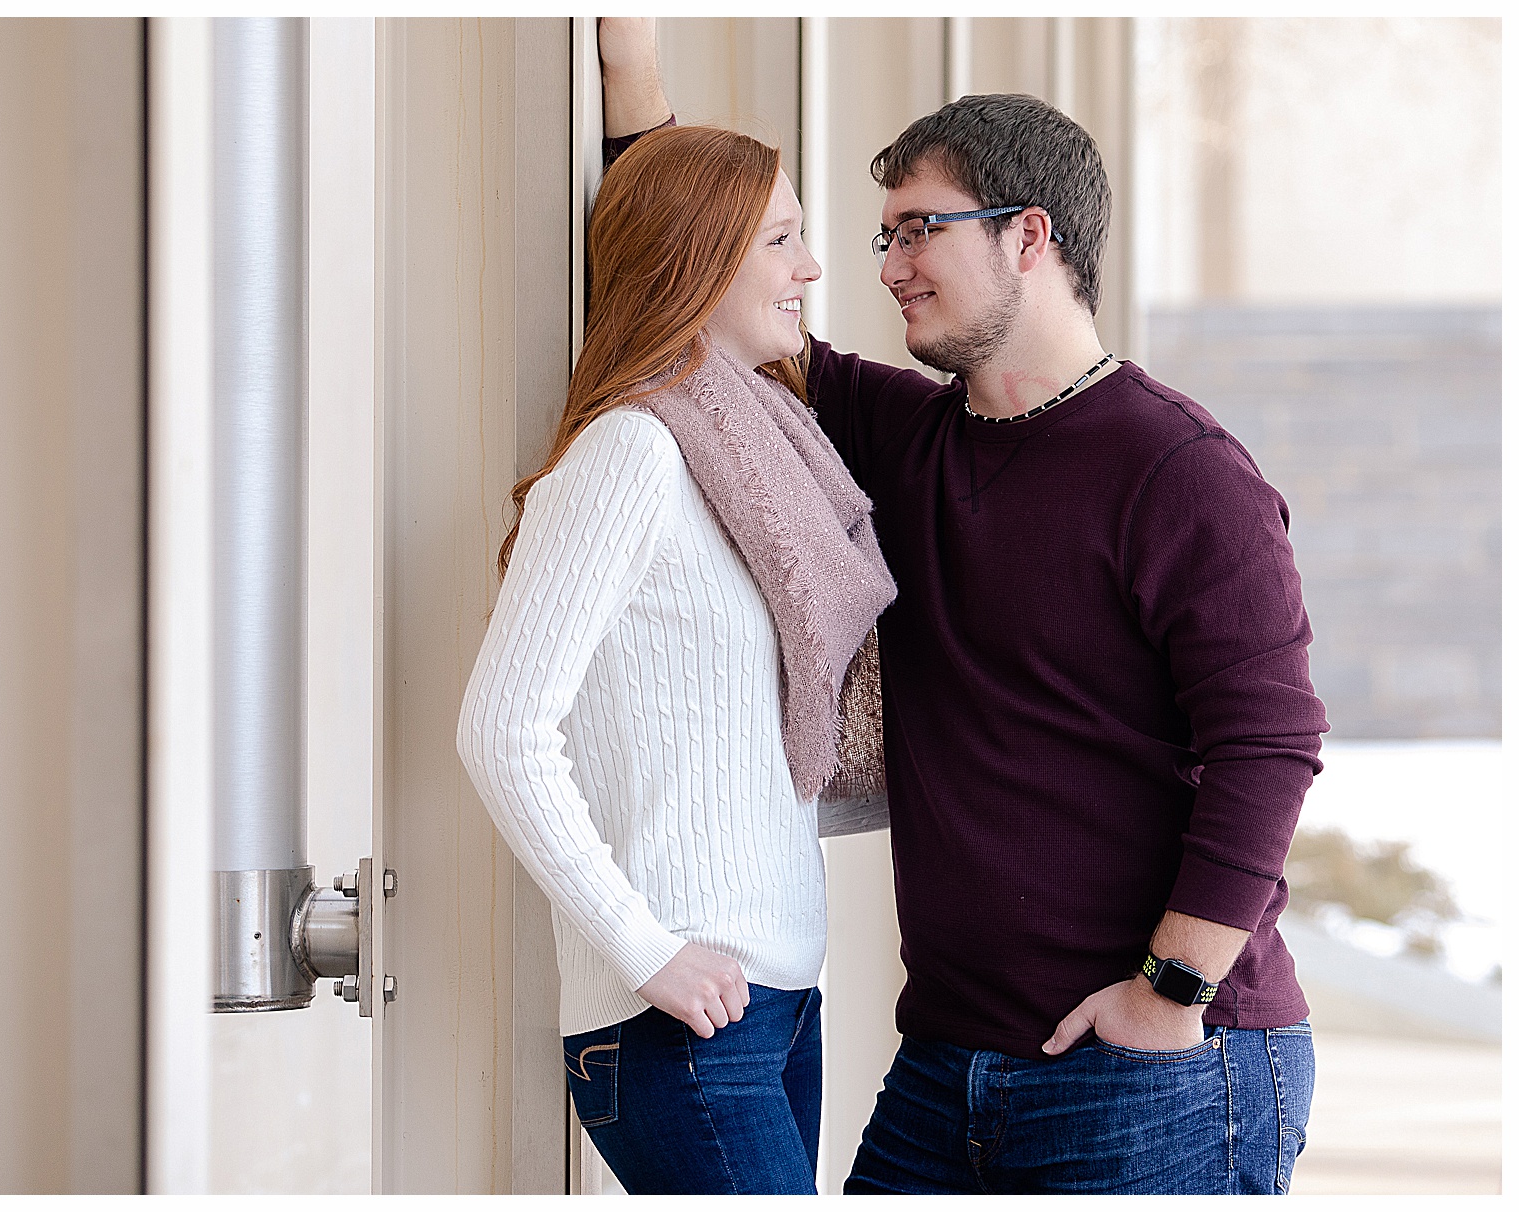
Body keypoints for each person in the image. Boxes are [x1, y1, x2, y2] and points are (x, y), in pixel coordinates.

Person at [598, 18, 1326, 1197]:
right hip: (946, 1066)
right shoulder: (892, 434)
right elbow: (697, 270)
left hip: (1161, 1070)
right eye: (884, 235)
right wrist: (631, 70)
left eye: (919, 230)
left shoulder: (1180, 468)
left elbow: (1271, 746)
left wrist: (1172, 991)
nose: (885, 263)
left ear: (1030, 236)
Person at [456, 122, 895, 1195]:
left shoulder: (756, 458)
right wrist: (642, 948)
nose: (812, 267)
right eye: (781, 240)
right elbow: (502, 729)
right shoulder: (632, 453)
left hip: (779, 1004)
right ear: (699, 258)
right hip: (678, 1018)